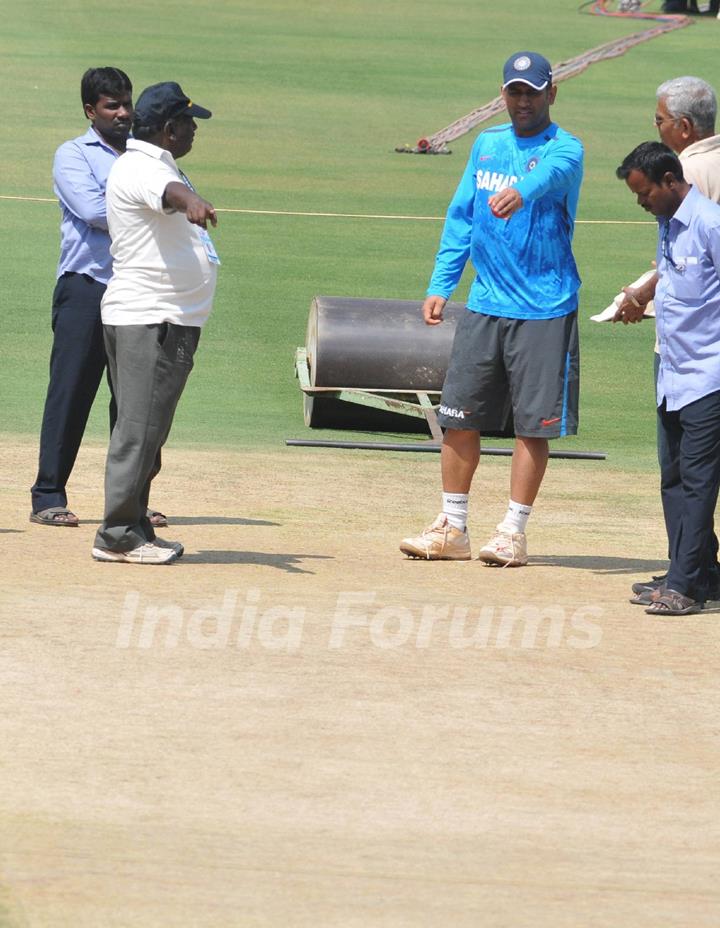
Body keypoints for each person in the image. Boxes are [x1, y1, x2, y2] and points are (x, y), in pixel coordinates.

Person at [400, 51, 583, 566]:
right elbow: (461, 218)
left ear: (551, 93)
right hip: (484, 305)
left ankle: (511, 531)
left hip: (545, 307)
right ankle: (452, 526)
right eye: (514, 92)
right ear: (502, 95)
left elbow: (550, 176)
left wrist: (519, 193)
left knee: (532, 426)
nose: (522, 101)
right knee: (459, 416)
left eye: (532, 91)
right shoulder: (485, 145)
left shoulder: (566, 148)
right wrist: (442, 284)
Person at [30, 67, 168, 529]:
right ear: (91, 111)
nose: (124, 113)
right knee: (70, 393)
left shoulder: (147, 154)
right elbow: (91, 210)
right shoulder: (73, 154)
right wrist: (146, 205)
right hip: (86, 288)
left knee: (135, 403)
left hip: (139, 290)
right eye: (112, 105)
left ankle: (129, 501)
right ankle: (48, 494)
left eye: (127, 103)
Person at [91, 81, 219, 565]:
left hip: (165, 318)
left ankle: (136, 524)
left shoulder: (155, 161)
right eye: (189, 123)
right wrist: (191, 202)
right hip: (149, 318)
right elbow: (168, 194)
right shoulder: (142, 167)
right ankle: (117, 534)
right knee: (139, 429)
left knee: (150, 429)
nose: (194, 131)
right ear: (168, 128)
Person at [612, 77, 720, 601]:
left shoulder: (708, 223)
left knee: (698, 484)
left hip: (707, 374)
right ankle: (692, 576)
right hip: (675, 372)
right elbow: (675, 281)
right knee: (674, 480)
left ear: (672, 179)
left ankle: (684, 586)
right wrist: (638, 296)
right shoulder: (669, 220)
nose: (641, 203)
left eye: (644, 192)